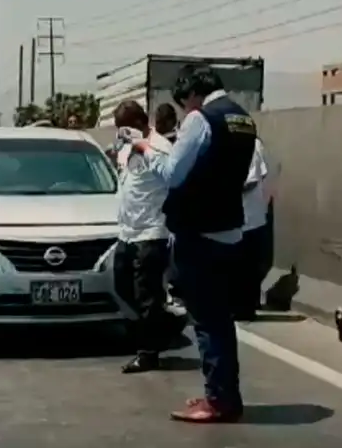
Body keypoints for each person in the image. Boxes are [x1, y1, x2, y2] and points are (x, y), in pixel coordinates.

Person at [133, 65, 256, 424]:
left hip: (199, 231)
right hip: (229, 229)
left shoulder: (201, 119)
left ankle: (219, 400)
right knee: (220, 319)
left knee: (207, 321)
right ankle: (221, 394)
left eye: (185, 101)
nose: (185, 109)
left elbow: (173, 174)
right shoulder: (243, 118)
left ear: (192, 93)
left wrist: (145, 148)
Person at [112, 100, 175, 374]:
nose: (121, 133)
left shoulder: (160, 146)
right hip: (127, 232)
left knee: (146, 293)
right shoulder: (126, 147)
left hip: (152, 232)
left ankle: (148, 352)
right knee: (123, 284)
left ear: (139, 123)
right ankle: (160, 325)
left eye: (124, 128)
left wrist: (143, 147)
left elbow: (171, 177)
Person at [234, 137, 271, 321]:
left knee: (247, 265)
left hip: (249, 216)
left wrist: (226, 190)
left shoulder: (250, 143)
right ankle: (239, 306)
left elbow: (252, 179)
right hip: (236, 217)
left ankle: (245, 309)